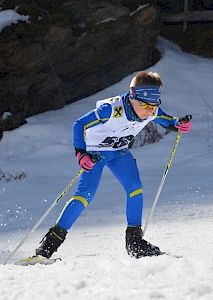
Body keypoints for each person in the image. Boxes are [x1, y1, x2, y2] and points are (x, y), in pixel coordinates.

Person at [35, 71, 192, 259]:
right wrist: (81, 154)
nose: (149, 111)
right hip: (96, 154)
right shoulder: (111, 110)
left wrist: (179, 124)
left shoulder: (151, 109)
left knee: (135, 189)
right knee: (85, 195)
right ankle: (47, 247)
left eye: (153, 106)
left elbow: (168, 121)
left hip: (119, 152)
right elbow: (79, 125)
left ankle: (135, 243)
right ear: (133, 96)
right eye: (145, 105)